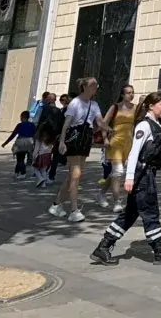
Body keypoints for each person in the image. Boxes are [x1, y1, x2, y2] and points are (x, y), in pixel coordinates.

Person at [90, 91, 161, 266]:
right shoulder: (144, 126)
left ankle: (103, 247)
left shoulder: (157, 125)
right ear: (151, 106)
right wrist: (129, 178)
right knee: (151, 212)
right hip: (142, 175)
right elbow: (134, 152)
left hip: (148, 173)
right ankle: (159, 250)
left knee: (130, 215)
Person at [48, 78, 107, 222]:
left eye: (96, 85)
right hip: (74, 139)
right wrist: (62, 141)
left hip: (85, 140)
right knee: (76, 174)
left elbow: (100, 121)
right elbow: (67, 123)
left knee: (74, 176)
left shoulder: (94, 104)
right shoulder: (75, 103)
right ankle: (74, 210)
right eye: (93, 85)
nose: (96, 87)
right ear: (85, 87)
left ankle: (56, 205)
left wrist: (110, 129)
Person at [101, 85, 136, 212]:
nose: (131, 95)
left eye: (132, 93)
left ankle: (101, 194)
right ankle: (117, 201)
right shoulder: (115, 107)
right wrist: (105, 138)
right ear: (122, 95)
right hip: (115, 141)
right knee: (119, 171)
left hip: (128, 142)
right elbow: (104, 123)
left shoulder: (135, 108)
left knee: (115, 172)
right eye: (128, 93)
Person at [2, 111, 37, 179]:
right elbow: (34, 134)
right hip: (29, 142)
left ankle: (23, 173)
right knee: (22, 158)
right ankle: (16, 172)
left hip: (21, 142)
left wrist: (5, 143)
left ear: (22, 117)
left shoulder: (20, 125)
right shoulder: (32, 125)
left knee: (20, 159)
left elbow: (13, 135)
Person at [45, 93, 70, 183]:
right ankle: (50, 174)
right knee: (55, 155)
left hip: (65, 136)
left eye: (64, 100)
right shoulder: (61, 110)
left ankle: (50, 174)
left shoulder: (68, 110)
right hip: (60, 135)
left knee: (57, 155)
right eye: (62, 100)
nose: (63, 101)